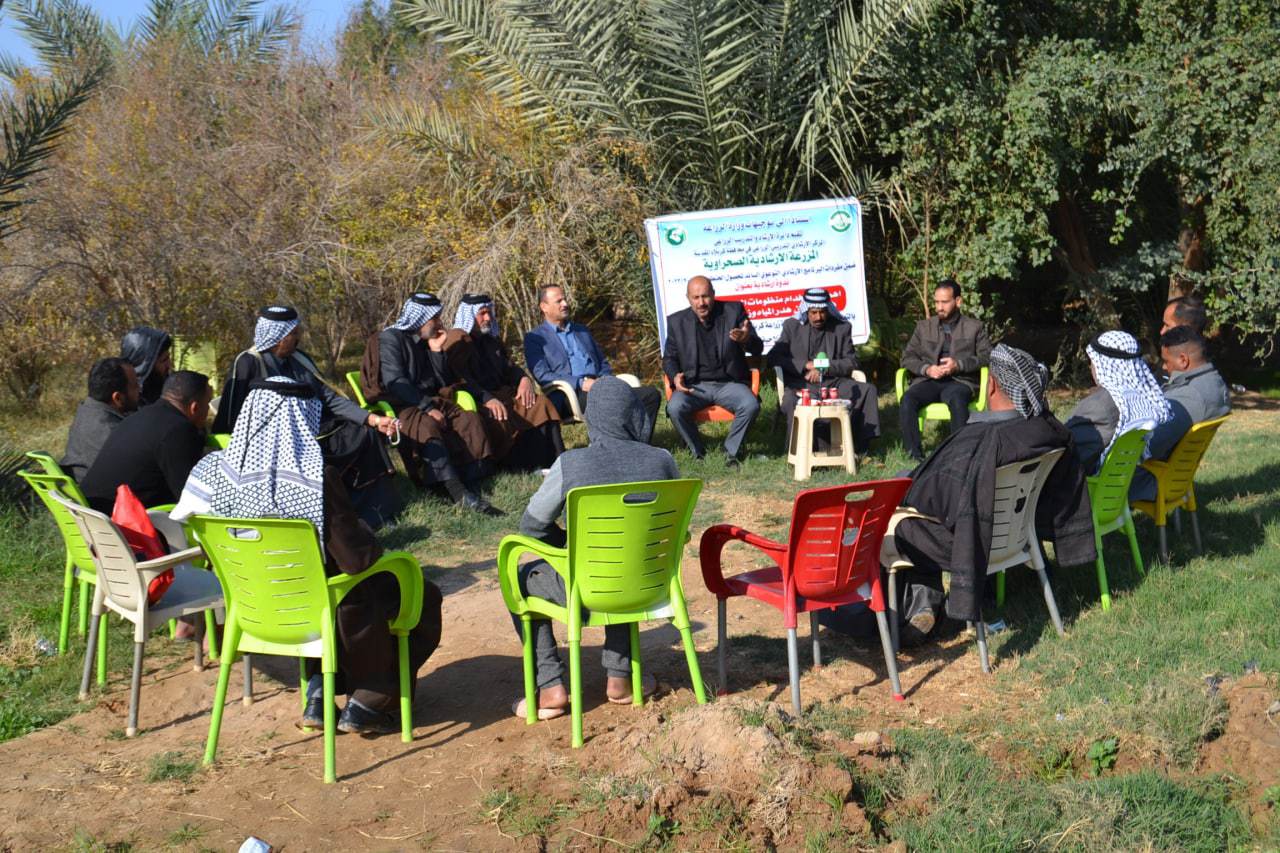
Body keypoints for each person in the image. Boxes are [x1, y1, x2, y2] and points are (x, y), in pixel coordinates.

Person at [171, 377, 443, 735]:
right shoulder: (314, 479)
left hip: (251, 607)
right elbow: (357, 560)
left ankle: (318, 690)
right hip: (315, 610)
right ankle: (370, 696)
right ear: (303, 417)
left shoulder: (208, 472)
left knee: (320, 588)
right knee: (417, 593)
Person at [875, 345, 1095, 644]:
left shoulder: (981, 443)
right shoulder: (1047, 429)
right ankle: (926, 600)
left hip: (975, 543)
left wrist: (905, 483)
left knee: (898, 521)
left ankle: (913, 609)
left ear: (991, 384)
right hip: (1017, 537)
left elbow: (928, 494)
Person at [509, 377, 678, 719]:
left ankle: (551, 685)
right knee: (623, 557)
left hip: (582, 586)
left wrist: (571, 551)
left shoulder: (570, 465)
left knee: (520, 575)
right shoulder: (662, 460)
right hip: (647, 580)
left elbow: (531, 525)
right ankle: (621, 678)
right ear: (633, 415)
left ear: (592, 417)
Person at [211, 306, 397, 510]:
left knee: (365, 433)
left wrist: (372, 419)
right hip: (274, 441)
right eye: (293, 334)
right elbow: (232, 415)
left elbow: (329, 398)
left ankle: (374, 508)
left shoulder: (300, 359)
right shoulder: (248, 363)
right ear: (279, 337)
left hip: (316, 427)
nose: (298, 338)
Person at [360, 293, 501, 515]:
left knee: (468, 419)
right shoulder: (391, 338)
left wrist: (436, 351)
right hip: (401, 404)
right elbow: (395, 381)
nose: (438, 323)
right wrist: (427, 407)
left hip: (429, 400)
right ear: (420, 318)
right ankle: (458, 494)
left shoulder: (425, 341)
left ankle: (474, 482)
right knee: (427, 427)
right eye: (435, 318)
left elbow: (441, 382)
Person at [523, 285, 662, 442]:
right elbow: (543, 375)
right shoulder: (535, 338)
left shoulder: (581, 330)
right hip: (571, 392)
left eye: (565, 299)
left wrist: (606, 380)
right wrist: (581, 383)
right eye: (559, 301)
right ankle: (614, 449)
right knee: (612, 401)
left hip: (600, 385)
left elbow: (601, 362)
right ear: (544, 307)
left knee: (650, 395)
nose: (565, 303)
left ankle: (638, 447)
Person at [444, 293, 564, 470]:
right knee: (500, 417)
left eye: (489, 312)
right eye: (482, 313)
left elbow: (509, 366)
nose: (488, 318)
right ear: (469, 315)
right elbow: (460, 378)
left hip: (504, 393)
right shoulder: (457, 339)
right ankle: (518, 467)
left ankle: (557, 461)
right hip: (478, 400)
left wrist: (524, 379)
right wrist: (486, 398)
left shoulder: (492, 338)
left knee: (540, 404)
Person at [661, 276, 762, 464]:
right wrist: (675, 377)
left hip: (729, 383)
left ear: (714, 295)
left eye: (705, 297)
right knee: (674, 407)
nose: (701, 303)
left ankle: (730, 452)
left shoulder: (733, 312)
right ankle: (698, 452)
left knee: (750, 405)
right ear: (688, 298)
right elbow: (669, 358)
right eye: (696, 297)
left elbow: (758, 349)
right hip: (694, 386)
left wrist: (746, 340)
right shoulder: (677, 322)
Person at [768, 286, 880, 455]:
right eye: (813, 312)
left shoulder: (841, 328)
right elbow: (773, 357)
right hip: (802, 383)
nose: (818, 317)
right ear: (806, 310)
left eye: (822, 312)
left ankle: (861, 448)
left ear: (828, 309)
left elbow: (851, 362)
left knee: (868, 390)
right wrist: (805, 365)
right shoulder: (792, 327)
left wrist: (824, 367)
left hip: (833, 381)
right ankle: (798, 451)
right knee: (791, 400)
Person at [79, 370, 211, 513]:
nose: (209, 409)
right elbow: (191, 496)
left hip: (93, 516)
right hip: (124, 524)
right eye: (208, 402)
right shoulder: (178, 430)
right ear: (194, 408)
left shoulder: (140, 416)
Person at [1129, 326, 1231, 501]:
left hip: (1152, 480)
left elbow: (1148, 446)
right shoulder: (1215, 383)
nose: (1164, 367)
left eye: (1166, 361)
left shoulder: (1188, 397)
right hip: (1176, 477)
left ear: (1183, 360)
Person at [898, 280, 993, 461]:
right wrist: (927, 369)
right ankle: (914, 455)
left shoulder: (975, 327)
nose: (939, 307)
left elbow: (987, 356)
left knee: (957, 401)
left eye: (944, 302)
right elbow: (907, 358)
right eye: (936, 302)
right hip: (929, 381)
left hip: (960, 381)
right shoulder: (923, 327)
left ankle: (959, 453)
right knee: (908, 399)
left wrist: (959, 364)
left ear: (958, 301)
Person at [1065, 331, 1172, 474]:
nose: (1091, 368)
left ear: (1102, 364)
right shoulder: (1145, 398)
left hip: (1090, 487)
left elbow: (1067, 449)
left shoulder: (1101, 405)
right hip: (1126, 482)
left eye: (1092, 362)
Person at [61, 358, 140, 482]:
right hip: (103, 498)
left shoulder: (86, 409)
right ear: (117, 398)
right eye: (135, 386)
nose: (139, 390)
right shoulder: (112, 431)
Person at [120, 327, 172, 406]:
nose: (169, 365)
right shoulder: (127, 401)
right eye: (163, 360)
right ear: (145, 366)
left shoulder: (171, 391)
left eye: (168, 358)